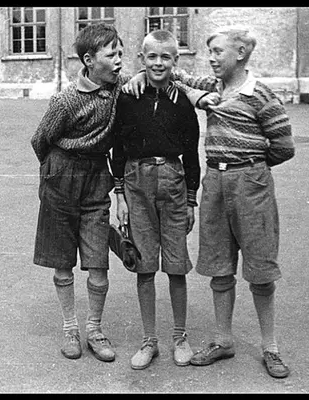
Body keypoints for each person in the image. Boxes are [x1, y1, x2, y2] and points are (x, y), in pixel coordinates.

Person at [124, 25, 295, 378]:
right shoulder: (211, 86)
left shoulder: (261, 94)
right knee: (220, 265)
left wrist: (251, 165)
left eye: (218, 52)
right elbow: (171, 71)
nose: (212, 58)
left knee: (260, 269)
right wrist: (141, 74)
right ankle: (222, 340)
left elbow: (283, 146)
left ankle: (271, 347)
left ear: (241, 54)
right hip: (214, 183)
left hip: (250, 183)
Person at [30, 23, 133, 362]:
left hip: (97, 177)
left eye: (121, 53)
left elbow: (157, 78)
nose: (119, 60)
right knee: (62, 260)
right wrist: (55, 173)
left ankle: (94, 330)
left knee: (97, 260)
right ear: (89, 60)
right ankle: (70, 329)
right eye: (111, 54)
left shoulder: (119, 90)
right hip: (61, 176)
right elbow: (40, 140)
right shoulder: (65, 101)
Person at [112, 30, 201, 370]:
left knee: (176, 265)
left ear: (175, 61)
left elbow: (191, 153)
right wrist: (120, 195)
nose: (158, 63)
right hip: (136, 183)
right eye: (152, 57)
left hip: (173, 181)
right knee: (144, 265)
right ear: (142, 59)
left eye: (166, 57)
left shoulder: (183, 102)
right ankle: (149, 340)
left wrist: (190, 199)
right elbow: (118, 148)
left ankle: (179, 337)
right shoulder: (128, 98)